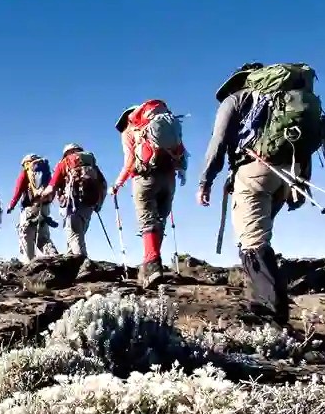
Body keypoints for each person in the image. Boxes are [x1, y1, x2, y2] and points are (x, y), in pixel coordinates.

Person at [196, 62, 300, 323]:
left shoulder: (236, 99)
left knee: (252, 242)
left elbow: (218, 142)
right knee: (259, 235)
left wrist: (205, 181)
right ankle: (260, 304)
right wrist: (301, 183)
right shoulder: (283, 98)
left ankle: (272, 318)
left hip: (255, 171)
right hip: (290, 173)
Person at [112, 99, 188, 288]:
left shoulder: (130, 132)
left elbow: (130, 161)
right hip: (169, 178)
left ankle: (152, 265)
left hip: (145, 178)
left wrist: (118, 183)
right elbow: (182, 151)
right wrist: (182, 171)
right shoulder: (164, 124)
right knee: (159, 220)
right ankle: (151, 262)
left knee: (147, 220)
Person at [38, 143, 107, 257]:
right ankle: (73, 268)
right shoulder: (92, 165)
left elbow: (51, 188)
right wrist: (99, 205)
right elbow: (103, 185)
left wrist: (41, 195)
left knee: (74, 238)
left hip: (71, 206)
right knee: (76, 237)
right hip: (88, 206)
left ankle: (84, 268)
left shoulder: (64, 163)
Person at [6, 153, 59, 262]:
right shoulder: (46, 171)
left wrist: (11, 205)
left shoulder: (26, 172)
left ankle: (28, 262)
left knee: (26, 236)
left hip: (30, 208)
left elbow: (18, 191)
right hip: (44, 207)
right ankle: (54, 257)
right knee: (43, 237)